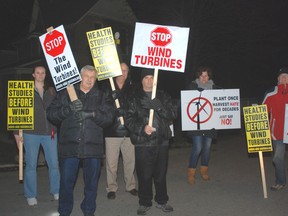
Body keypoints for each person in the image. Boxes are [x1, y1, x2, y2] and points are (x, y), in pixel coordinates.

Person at [46, 65, 115, 216]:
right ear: (80, 76)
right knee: (66, 183)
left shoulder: (102, 96)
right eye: (87, 77)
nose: (90, 80)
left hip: (93, 147)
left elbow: (109, 118)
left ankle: (89, 210)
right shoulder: (66, 93)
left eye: (93, 78)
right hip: (70, 145)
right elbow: (51, 114)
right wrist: (68, 109)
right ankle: (64, 210)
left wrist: (92, 114)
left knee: (91, 183)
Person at [124, 68, 177, 215]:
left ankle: (162, 200)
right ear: (141, 80)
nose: (149, 80)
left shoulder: (163, 95)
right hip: (143, 142)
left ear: (156, 80)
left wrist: (159, 107)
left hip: (161, 141)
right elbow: (128, 120)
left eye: (151, 77)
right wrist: (142, 128)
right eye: (146, 77)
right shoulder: (134, 98)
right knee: (144, 175)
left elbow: (173, 113)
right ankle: (144, 202)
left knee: (160, 174)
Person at [14, 65, 60, 206]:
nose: (40, 75)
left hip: (50, 132)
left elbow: (58, 109)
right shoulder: (24, 90)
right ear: (33, 75)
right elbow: (17, 112)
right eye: (37, 73)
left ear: (46, 74)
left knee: (54, 163)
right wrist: (17, 134)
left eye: (43, 73)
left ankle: (56, 190)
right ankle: (30, 195)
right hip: (30, 133)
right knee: (31, 165)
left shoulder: (51, 91)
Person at [104, 62, 137, 200]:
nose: (123, 73)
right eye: (121, 70)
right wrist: (110, 99)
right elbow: (102, 108)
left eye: (126, 71)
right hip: (112, 130)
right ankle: (111, 187)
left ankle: (130, 185)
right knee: (112, 162)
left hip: (129, 130)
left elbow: (136, 107)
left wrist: (125, 107)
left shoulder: (133, 88)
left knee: (130, 161)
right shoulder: (107, 88)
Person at [186, 66, 219, 185]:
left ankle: (204, 171)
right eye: (202, 75)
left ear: (209, 76)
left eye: (206, 75)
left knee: (207, 148)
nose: (204, 78)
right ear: (198, 76)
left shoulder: (215, 88)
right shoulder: (192, 87)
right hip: (196, 123)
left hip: (210, 123)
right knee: (198, 147)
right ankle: (191, 172)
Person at [262, 67, 288, 191]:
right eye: (282, 76)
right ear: (277, 78)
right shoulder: (271, 93)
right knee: (278, 159)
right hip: (278, 133)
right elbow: (262, 111)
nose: (284, 78)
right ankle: (281, 182)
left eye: (287, 76)